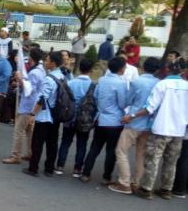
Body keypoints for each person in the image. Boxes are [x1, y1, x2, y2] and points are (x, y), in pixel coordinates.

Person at [124, 59, 188, 200]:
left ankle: (147, 189)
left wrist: (132, 115)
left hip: (161, 128)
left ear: (168, 68)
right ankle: (166, 190)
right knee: (171, 161)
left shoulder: (162, 84)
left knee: (153, 159)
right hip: (179, 131)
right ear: (183, 71)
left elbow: (149, 107)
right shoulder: (186, 86)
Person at [108, 58, 162, 194]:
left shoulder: (137, 82)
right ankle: (136, 182)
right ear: (157, 70)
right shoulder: (159, 84)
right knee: (141, 154)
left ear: (143, 67)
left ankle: (124, 182)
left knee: (121, 151)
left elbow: (128, 100)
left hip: (134, 121)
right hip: (150, 123)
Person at [80, 57, 128, 184]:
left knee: (95, 147)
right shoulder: (121, 83)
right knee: (111, 150)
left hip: (100, 119)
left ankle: (86, 173)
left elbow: (95, 97)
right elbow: (123, 103)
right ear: (121, 68)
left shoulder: (101, 80)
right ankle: (106, 177)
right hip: (115, 121)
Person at [23, 51, 66, 177]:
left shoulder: (49, 79)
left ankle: (33, 168)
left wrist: (32, 114)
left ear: (52, 63)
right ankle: (49, 168)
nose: (45, 62)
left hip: (44, 116)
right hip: (56, 115)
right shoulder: (62, 76)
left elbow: (42, 98)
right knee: (52, 143)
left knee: (37, 143)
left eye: (47, 60)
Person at [2, 47, 45, 164]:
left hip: (28, 106)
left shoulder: (35, 72)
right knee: (29, 131)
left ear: (31, 57)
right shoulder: (40, 70)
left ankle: (15, 155)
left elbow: (29, 89)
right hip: (32, 106)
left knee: (18, 131)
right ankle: (30, 153)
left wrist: (20, 79)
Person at [54, 58, 94, 176]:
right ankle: (77, 169)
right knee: (81, 144)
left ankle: (60, 166)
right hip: (84, 119)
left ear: (79, 68)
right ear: (91, 70)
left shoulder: (71, 83)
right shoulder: (92, 85)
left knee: (65, 142)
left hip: (69, 117)